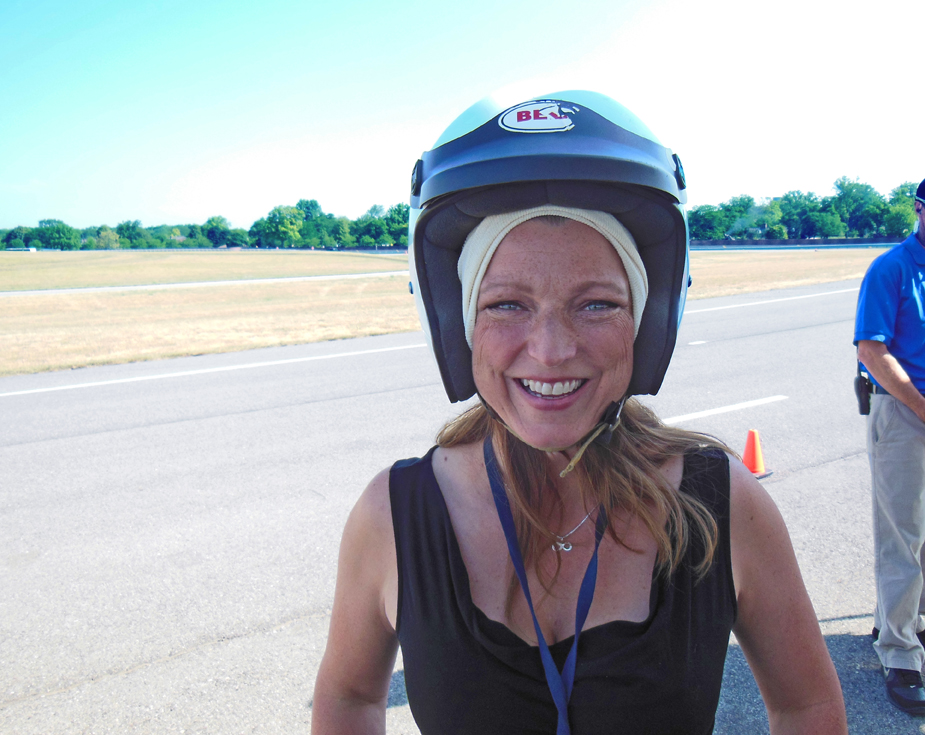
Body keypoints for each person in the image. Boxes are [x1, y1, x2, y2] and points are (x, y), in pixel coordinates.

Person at [312, 90, 846, 734]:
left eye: (596, 304)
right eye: (506, 304)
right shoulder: (394, 516)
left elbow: (807, 707)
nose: (552, 349)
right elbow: (348, 698)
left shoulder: (718, 504)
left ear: (646, 324)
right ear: (459, 327)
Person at [855, 178, 925, 714]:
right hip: (905, 413)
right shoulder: (893, 269)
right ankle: (899, 652)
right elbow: (872, 349)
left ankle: (907, 617)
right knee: (902, 535)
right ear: (920, 210)